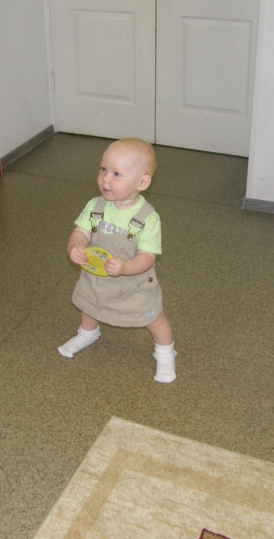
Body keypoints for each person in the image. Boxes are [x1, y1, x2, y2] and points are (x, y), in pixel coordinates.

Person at [59, 138, 176, 383]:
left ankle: (165, 352)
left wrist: (126, 267)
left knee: (153, 318)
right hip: (97, 276)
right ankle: (88, 333)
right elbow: (81, 232)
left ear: (142, 183)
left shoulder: (147, 218)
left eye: (116, 174)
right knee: (89, 304)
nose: (105, 179)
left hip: (133, 284)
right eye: (103, 169)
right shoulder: (95, 206)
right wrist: (75, 245)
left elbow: (147, 257)